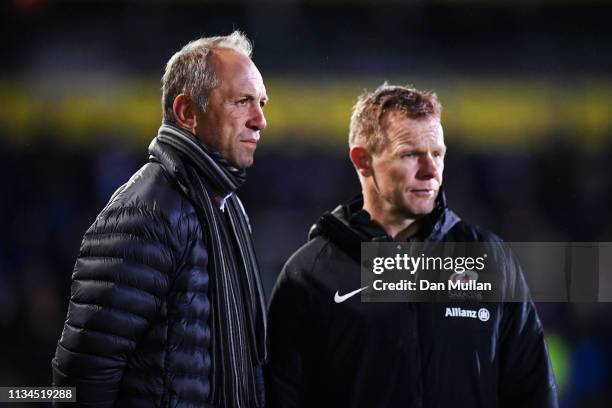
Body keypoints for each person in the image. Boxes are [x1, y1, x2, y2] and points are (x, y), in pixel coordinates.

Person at [265, 83, 558, 407]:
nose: (431, 171)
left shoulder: (489, 259)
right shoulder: (310, 275)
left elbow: (532, 391)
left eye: (437, 154)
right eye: (410, 155)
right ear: (363, 161)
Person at [52, 31, 269, 407]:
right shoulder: (144, 214)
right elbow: (81, 379)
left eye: (262, 103)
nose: (260, 121)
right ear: (187, 112)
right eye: (242, 101)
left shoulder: (228, 207)